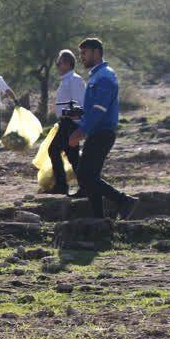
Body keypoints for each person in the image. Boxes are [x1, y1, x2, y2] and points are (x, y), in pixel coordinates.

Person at [69, 38, 138, 219]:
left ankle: (124, 201)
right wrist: (80, 115)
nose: (81, 57)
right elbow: (94, 108)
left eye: (84, 53)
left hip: (102, 132)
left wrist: (81, 130)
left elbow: (100, 108)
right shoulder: (97, 75)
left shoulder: (105, 76)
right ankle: (99, 218)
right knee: (90, 177)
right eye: (81, 53)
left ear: (96, 52)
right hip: (97, 131)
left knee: (85, 176)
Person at [46, 50, 86, 195]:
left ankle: (62, 186)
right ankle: (85, 187)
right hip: (65, 122)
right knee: (73, 157)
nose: (57, 65)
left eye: (60, 62)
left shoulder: (75, 80)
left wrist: (78, 124)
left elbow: (79, 103)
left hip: (70, 123)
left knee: (53, 150)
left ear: (68, 63)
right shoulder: (66, 80)